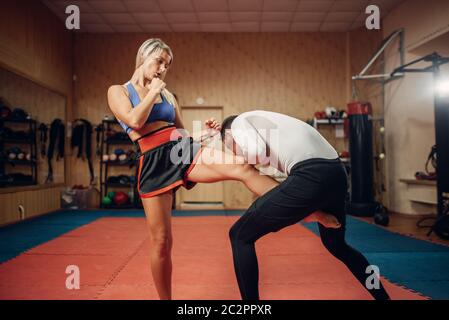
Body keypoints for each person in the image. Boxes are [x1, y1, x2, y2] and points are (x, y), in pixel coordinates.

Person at [107, 39, 338, 300]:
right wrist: (152, 91)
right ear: (143, 56)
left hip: (180, 151)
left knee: (242, 167)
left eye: (167, 65)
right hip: (152, 161)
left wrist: (203, 134)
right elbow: (134, 120)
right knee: (161, 243)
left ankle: (308, 212)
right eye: (158, 61)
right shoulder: (119, 91)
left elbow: (180, 136)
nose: (162, 69)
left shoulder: (168, 96)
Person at [220, 110, 390, 300]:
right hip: (336, 173)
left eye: (232, 147)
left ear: (229, 134)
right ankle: (383, 298)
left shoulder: (238, 123)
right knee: (338, 246)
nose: (235, 152)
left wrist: (242, 160)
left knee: (239, 235)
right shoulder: (270, 123)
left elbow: (255, 152)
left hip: (310, 174)